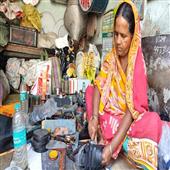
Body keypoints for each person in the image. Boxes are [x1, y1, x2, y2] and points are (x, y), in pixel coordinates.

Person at [86, 0, 170, 169]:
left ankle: (110, 138)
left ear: (133, 36)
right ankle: (104, 130)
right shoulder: (111, 58)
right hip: (109, 114)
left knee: (152, 122)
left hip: (126, 119)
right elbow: (98, 86)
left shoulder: (137, 66)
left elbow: (132, 111)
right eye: (115, 34)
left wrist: (110, 148)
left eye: (123, 36)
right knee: (89, 92)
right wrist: (94, 118)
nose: (118, 41)